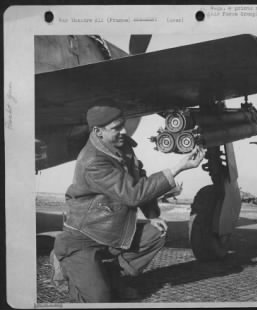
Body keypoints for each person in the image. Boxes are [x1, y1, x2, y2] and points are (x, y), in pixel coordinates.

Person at [51, 104, 205, 302]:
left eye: (123, 125)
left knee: (157, 232)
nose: (124, 131)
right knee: (100, 300)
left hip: (112, 231)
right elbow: (133, 193)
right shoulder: (93, 161)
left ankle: (113, 276)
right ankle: (65, 270)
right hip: (84, 239)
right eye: (116, 128)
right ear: (98, 132)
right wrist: (177, 168)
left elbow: (139, 178)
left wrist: (152, 216)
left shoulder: (123, 147)